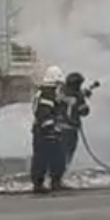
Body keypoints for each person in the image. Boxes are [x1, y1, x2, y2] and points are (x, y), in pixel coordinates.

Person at [53, 71, 97, 189]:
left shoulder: (61, 93)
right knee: (67, 156)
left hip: (58, 129)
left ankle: (54, 179)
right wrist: (83, 101)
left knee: (58, 155)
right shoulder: (77, 97)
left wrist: (85, 93)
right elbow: (84, 112)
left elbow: (69, 100)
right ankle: (57, 181)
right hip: (70, 131)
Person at [30, 66, 69, 196]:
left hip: (47, 131)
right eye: (59, 83)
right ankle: (40, 184)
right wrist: (51, 128)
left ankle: (53, 182)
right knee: (43, 159)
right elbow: (43, 113)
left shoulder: (47, 92)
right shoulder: (48, 93)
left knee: (55, 158)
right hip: (44, 132)